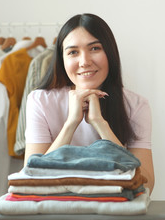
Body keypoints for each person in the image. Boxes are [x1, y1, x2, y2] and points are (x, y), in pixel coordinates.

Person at [24, 13, 154, 193]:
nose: (84, 62)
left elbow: (146, 185)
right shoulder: (40, 101)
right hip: (56, 207)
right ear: (62, 60)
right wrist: (71, 123)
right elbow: (32, 178)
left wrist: (101, 124)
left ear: (110, 52)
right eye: (73, 52)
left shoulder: (136, 105)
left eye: (94, 49)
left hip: (112, 208)